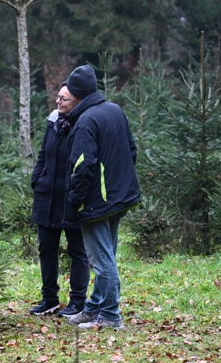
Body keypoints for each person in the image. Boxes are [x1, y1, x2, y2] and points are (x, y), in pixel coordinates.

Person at [62, 65, 142, 330]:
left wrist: (74, 201)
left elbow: (82, 166)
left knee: (102, 260)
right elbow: (131, 150)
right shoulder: (115, 110)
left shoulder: (85, 120)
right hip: (120, 197)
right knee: (106, 254)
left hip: (97, 202)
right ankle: (94, 308)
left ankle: (109, 316)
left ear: (75, 94)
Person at [29, 84, 91, 317]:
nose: (58, 101)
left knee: (77, 251)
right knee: (46, 248)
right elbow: (43, 154)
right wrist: (37, 179)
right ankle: (49, 299)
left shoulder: (84, 124)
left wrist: (77, 193)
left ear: (76, 101)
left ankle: (78, 301)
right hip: (46, 197)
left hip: (72, 199)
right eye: (58, 97)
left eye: (63, 99)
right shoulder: (53, 122)